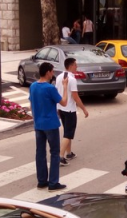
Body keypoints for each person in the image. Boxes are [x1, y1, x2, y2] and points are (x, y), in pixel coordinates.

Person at [30, 63, 69, 191]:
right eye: (52, 71)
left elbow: (32, 103)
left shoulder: (33, 86)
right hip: (51, 124)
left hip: (38, 124)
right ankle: (53, 183)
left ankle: (42, 181)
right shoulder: (50, 88)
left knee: (40, 152)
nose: (53, 74)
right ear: (47, 72)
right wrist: (65, 87)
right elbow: (64, 102)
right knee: (54, 153)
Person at [55, 58, 89, 166]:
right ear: (70, 66)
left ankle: (69, 153)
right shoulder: (72, 79)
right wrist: (84, 109)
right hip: (69, 109)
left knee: (67, 131)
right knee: (68, 133)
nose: (76, 66)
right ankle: (60, 156)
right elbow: (75, 96)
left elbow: (57, 92)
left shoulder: (59, 77)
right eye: (75, 65)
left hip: (61, 108)